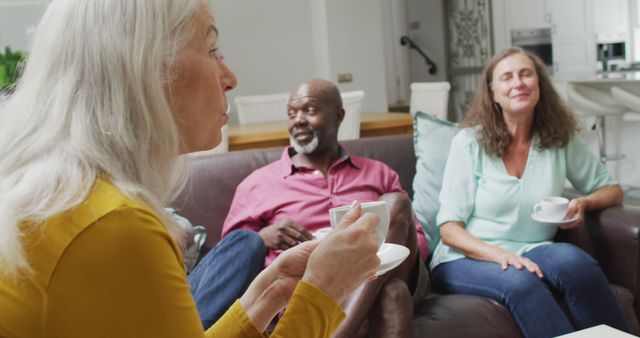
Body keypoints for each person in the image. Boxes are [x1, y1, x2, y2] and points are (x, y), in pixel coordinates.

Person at [0, 1, 383, 337]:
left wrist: (269, 294)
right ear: (148, 68)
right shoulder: (114, 226)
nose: (230, 78)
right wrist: (324, 291)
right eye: (212, 48)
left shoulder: (70, 197)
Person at [429, 46, 630, 337]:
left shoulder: (559, 140)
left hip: (532, 249)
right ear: (493, 93)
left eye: (526, 74)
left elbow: (612, 190)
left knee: (577, 263)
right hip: (464, 257)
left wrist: (584, 203)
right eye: (507, 77)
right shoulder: (468, 143)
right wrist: (498, 256)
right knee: (522, 283)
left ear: (539, 85)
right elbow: (449, 229)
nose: (518, 83)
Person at [221, 78, 430, 338]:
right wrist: (264, 236)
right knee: (394, 294)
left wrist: (374, 256)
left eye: (309, 110)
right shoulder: (259, 183)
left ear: (339, 116)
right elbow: (231, 253)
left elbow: (418, 240)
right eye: (291, 113)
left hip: (380, 270)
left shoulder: (378, 173)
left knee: (397, 204)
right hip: (309, 286)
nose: (298, 120)